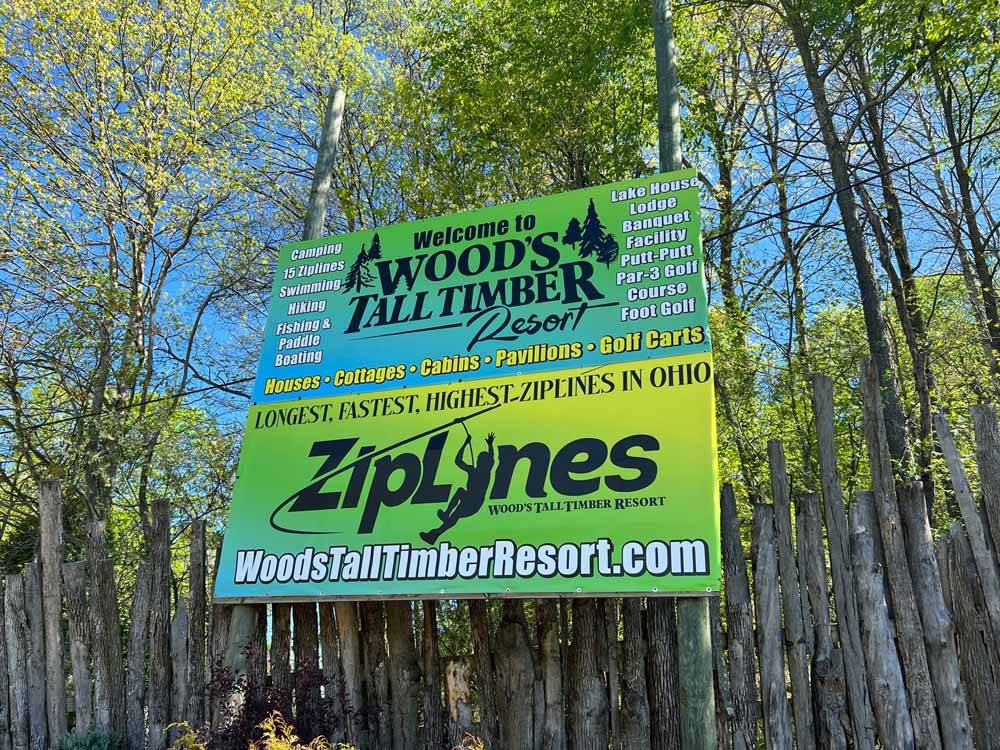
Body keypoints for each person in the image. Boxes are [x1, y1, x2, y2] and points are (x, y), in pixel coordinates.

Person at [420, 426, 495, 544]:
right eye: (479, 459)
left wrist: (490, 445)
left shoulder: (485, 471)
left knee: (456, 512)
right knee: (458, 502)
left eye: (481, 459)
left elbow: (491, 457)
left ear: (484, 462)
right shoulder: (472, 470)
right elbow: (458, 461)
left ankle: (436, 531)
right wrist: (465, 444)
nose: (479, 460)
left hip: (475, 502)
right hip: (468, 499)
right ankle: (435, 533)